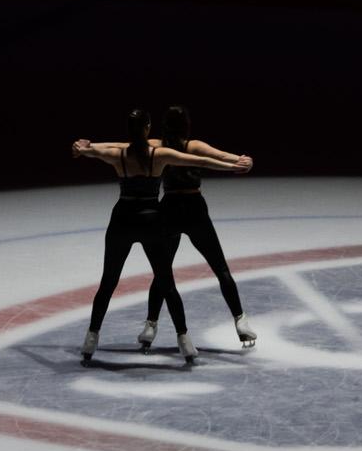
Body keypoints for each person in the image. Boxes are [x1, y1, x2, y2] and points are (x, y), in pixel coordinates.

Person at [71, 112, 250, 364]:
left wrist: (84, 147)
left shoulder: (120, 155)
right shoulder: (160, 154)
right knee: (167, 281)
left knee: (108, 282)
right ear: (147, 128)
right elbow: (198, 160)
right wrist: (233, 166)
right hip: (150, 220)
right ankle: (185, 340)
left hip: (122, 220)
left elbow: (105, 148)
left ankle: (92, 337)